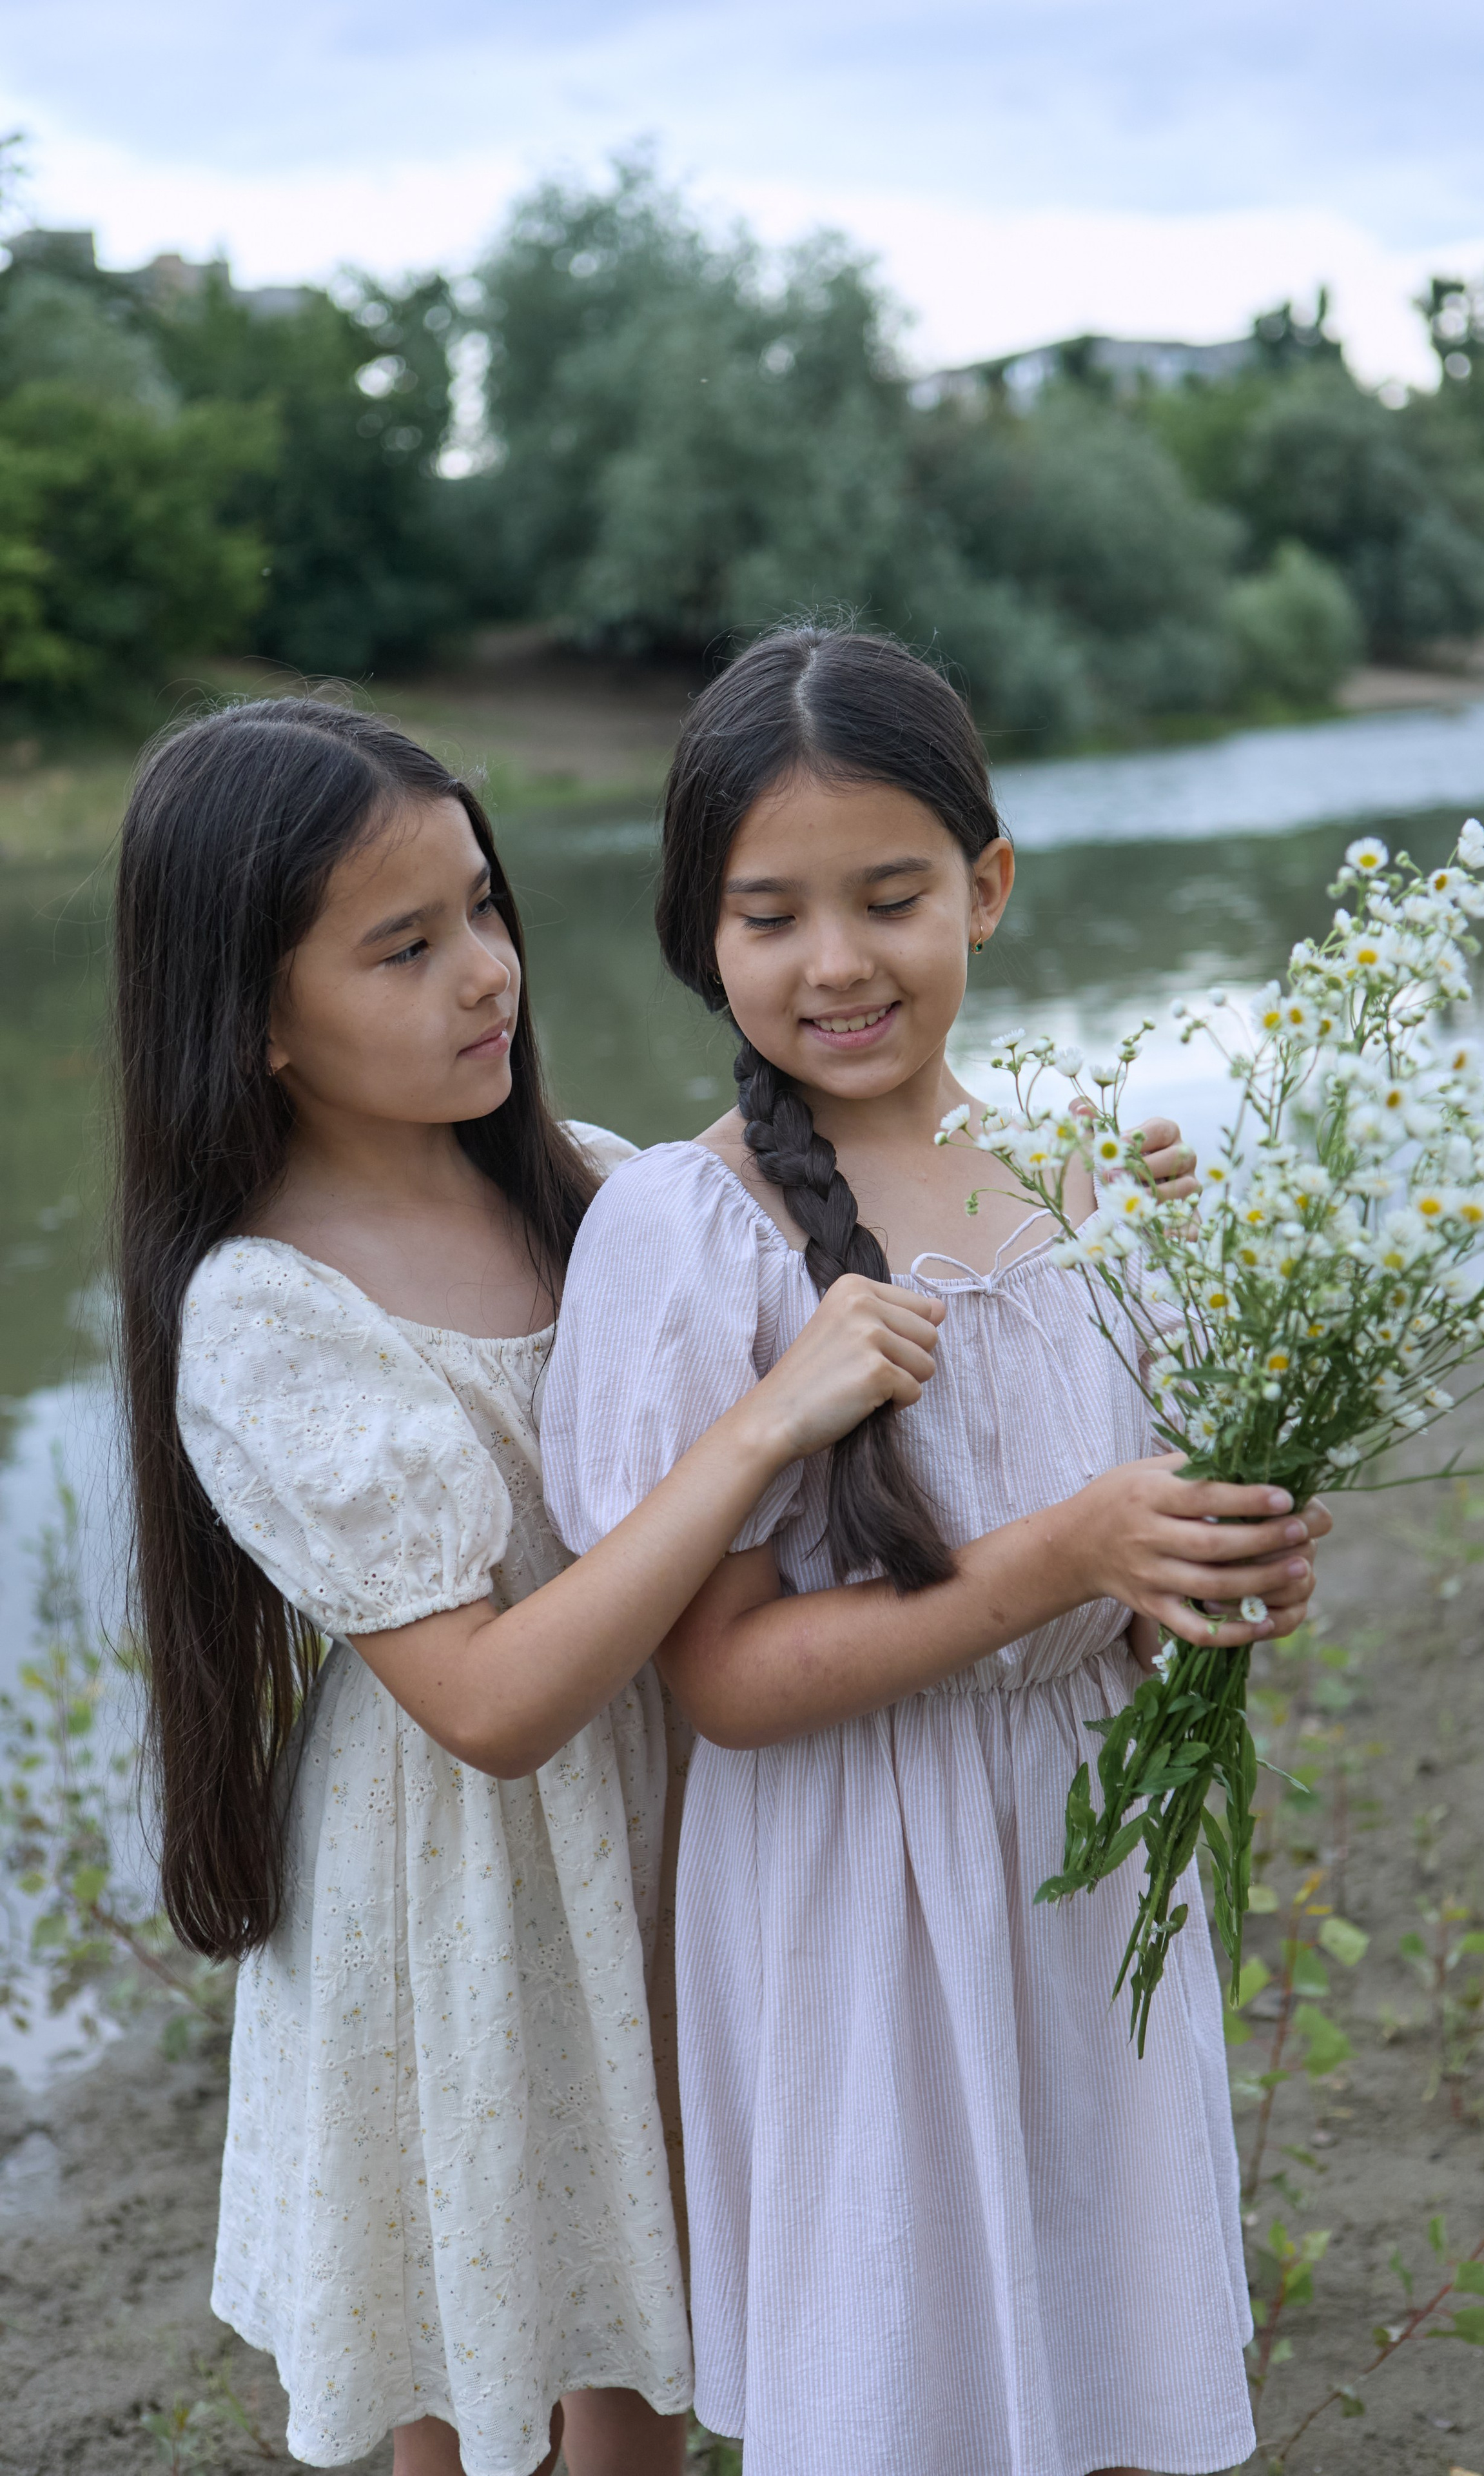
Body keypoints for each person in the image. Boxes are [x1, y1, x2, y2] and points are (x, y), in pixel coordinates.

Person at [113, 697, 950, 2476]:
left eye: (484, 911)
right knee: (476, 2350)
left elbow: (876, 1269)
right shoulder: (267, 1312)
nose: (486, 972)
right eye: (406, 947)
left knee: (637, 2368)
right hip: (460, 1900)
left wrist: (1095, 1185)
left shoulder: (599, 1191)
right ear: (257, 1016)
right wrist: (754, 1429)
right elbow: (487, 1704)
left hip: (656, 1831)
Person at [540, 629, 1331, 2476]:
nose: (837, 963)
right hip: (855, 1896)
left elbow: (1132, 1574)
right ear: (701, 936)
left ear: (985, 884)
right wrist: (1068, 1556)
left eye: (891, 897)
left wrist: (1219, 1570)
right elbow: (723, 1682)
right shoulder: (687, 1234)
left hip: (1079, 1853)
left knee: (1111, 2353)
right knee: (904, 2391)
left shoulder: (1093, 1186)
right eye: (770, 917)